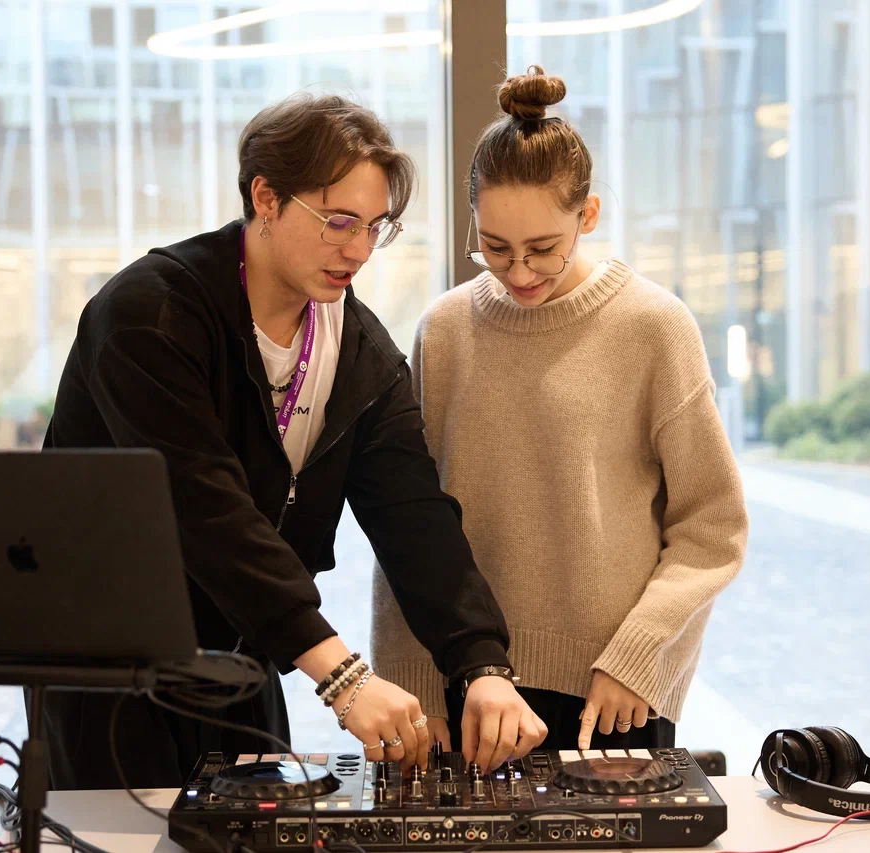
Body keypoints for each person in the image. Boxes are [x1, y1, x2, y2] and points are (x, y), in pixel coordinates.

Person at [37, 91, 547, 790]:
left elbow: (414, 516)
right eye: (339, 222)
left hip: (240, 662)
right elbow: (206, 510)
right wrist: (342, 676)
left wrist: (481, 664)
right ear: (267, 198)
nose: (358, 250)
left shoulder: (357, 349)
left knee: (250, 829)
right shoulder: (150, 316)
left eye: (375, 228)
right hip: (109, 672)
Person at [370, 67, 749, 753]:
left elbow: (712, 526)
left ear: (588, 215)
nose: (518, 272)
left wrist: (639, 657)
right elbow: (409, 524)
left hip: (614, 696)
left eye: (543, 248)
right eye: (494, 248)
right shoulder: (445, 331)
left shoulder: (654, 327)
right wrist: (411, 679)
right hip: (464, 687)